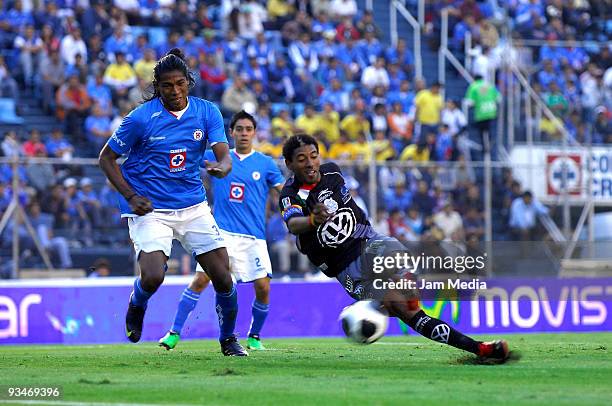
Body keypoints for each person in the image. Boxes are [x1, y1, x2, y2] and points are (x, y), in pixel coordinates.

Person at [278, 134, 509, 362]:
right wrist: (311, 221)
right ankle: (480, 349)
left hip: (366, 241)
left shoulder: (332, 171)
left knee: (395, 256)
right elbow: (293, 224)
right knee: (407, 313)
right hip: (345, 269)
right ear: (289, 164)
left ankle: (409, 287)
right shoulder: (290, 195)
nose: (309, 163)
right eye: (301, 159)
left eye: (313, 156)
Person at [98, 48, 246, 356]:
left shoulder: (207, 111)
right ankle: (137, 304)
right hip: (151, 209)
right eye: (167, 85)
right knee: (153, 276)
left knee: (222, 276)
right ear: (157, 86)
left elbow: (223, 154)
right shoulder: (140, 119)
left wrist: (222, 167)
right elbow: (107, 158)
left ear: (189, 82)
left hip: (193, 207)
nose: (175, 91)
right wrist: (131, 196)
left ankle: (229, 339)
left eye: (180, 83)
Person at [159, 110, 285, 352]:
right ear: (232, 132)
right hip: (221, 234)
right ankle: (174, 333)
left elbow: (282, 190)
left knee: (263, 287)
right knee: (201, 279)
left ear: (255, 133)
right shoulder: (216, 156)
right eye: (240, 129)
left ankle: (255, 336)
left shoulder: (265, 164)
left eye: (249, 129)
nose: (244, 134)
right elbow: (185, 158)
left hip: (253, 237)